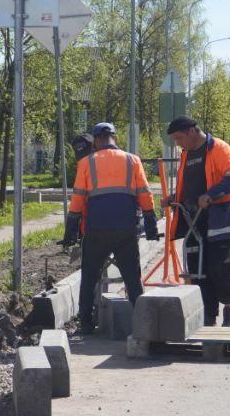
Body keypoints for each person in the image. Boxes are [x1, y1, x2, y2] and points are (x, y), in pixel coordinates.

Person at [62, 122, 160, 335]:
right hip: (125, 228)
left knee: (89, 276)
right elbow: (145, 192)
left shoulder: (87, 162)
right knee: (132, 277)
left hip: (96, 229)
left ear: (96, 141)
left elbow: (78, 197)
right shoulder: (132, 160)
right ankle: (141, 323)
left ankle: (86, 324)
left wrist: (71, 229)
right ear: (115, 138)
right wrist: (150, 222)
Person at [164, 115, 230, 327]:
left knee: (220, 268)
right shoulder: (186, 154)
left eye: (179, 137)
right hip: (194, 221)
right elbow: (190, 185)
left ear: (192, 131)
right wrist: (175, 199)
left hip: (220, 219)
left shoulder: (218, 148)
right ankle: (209, 316)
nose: (177, 143)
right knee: (198, 270)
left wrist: (211, 194)